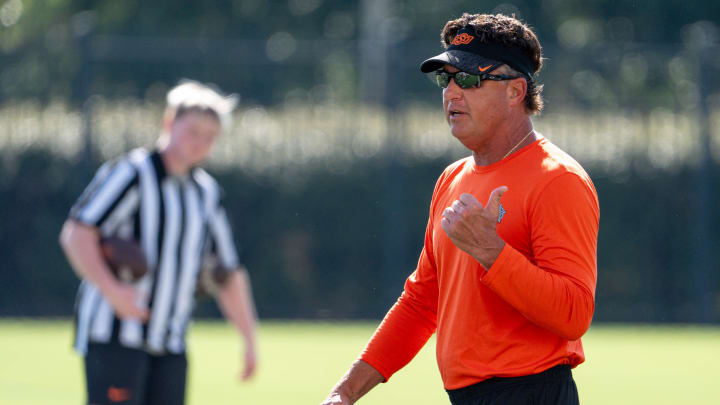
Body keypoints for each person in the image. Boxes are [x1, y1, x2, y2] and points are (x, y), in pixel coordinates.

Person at [321, 13, 599, 405]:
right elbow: (421, 303)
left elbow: (574, 314)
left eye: (468, 78)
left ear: (516, 91)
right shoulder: (452, 178)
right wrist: (345, 393)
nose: (451, 93)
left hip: (532, 394)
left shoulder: (558, 179)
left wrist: (492, 253)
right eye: (445, 78)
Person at [59, 80, 258, 405]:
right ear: (169, 122)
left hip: (171, 342)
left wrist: (249, 338)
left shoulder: (206, 193)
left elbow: (229, 271)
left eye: (210, 137)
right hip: (115, 336)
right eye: (193, 131)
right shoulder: (132, 173)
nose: (200, 143)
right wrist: (113, 290)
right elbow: (77, 233)